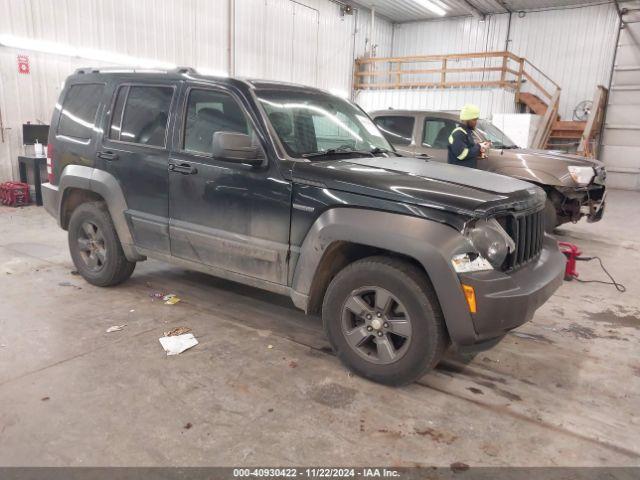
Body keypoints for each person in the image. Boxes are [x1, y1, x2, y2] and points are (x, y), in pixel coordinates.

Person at [447, 104, 491, 169]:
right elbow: (462, 154)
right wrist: (479, 146)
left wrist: (480, 149)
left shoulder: (466, 132)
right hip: (459, 175)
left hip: (466, 173)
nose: (476, 122)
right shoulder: (459, 133)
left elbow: (469, 151)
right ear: (466, 120)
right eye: (474, 120)